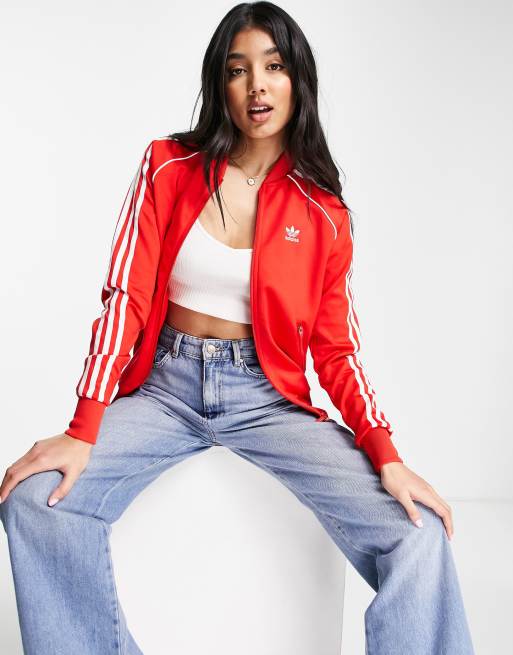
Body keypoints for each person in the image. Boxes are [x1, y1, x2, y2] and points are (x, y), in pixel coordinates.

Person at [0, 2, 475, 654]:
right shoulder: (167, 166)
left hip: (266, 397)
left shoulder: (323, 211)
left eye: (273, 67)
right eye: (238, 69)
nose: (257, 86)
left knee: (417, 533)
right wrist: (83, 427)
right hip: (164, 389)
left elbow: (336, 349)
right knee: (33, 502)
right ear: (219, 84)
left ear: (296, 80)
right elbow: (125, 299)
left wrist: (385, 455)